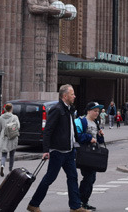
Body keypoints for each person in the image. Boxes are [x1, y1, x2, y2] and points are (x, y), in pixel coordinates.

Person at [26, 84, 87, 212]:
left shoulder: (69, 109)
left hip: (69, 151)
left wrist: (77, 142)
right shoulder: (57, 109)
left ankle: (75, 206)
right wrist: (46, 150)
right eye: (72, 94)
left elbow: (71, 129)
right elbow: (48, 130)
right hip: (58, 151)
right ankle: (33, 204)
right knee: (50, 178)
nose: (74, 96)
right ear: (65, 96)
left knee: (73, 177)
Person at [75, 102, 105, 211]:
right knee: (88, 177)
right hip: (84, 154)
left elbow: (99, 141)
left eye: (98, 111)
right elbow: (77, 136)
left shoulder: (96, 123)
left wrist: (100, 136)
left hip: (93, 154)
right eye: (95, 111)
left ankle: (83, 201)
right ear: (88, 111)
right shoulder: (81, 121)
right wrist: (89, 138)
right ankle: (80, 202)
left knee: (91, 178)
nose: (97, 113)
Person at [0, 102, 20, 177]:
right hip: (12, 136)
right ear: (11, 109)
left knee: (4, 154)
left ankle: (2, 165)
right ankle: (10, 170)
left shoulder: (1, 117)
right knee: (12, 154)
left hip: (4, 136)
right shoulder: (15, 117)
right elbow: (18, 126)